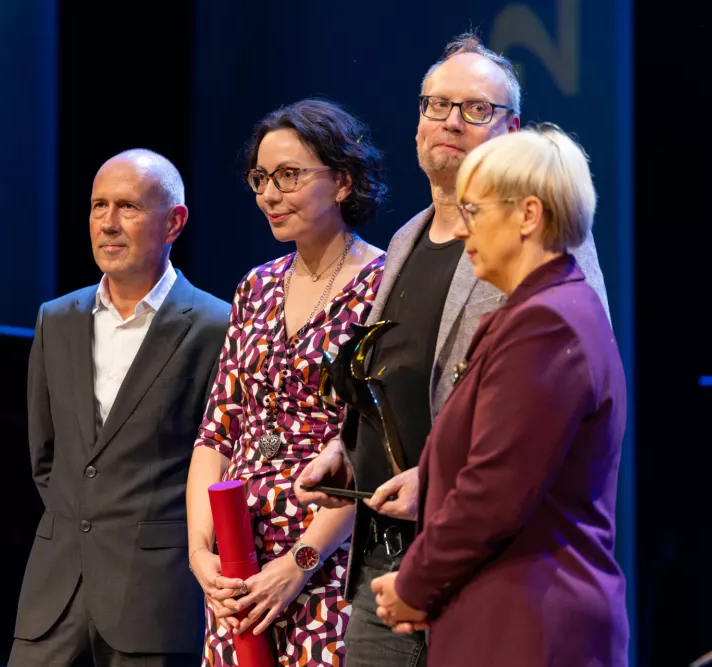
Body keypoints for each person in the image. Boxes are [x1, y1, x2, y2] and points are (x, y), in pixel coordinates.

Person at [295, 32, 611, 667]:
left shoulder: (545, 243)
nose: (450, 121)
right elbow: (393, 376)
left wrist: (434, 480)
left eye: (475, 109)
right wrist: (348, 452)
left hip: (485, 560)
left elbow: (535, 424)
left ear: (512, 130)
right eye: (436, 105)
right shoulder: (406, 239)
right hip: (385, 554)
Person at [371, 122, 628, 666]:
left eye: (475, 210)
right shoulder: (540, 313)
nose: (463, 229)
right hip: (506, 616)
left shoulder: (548, 324)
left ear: (528, 215)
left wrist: (414, 585)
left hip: (528, 625)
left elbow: (493, 491)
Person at [9, 149, 231, 667]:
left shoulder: (217, 326)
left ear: (174, 222)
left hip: (155, 598)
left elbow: (219, 462)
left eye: (128, 207)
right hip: (54, 594)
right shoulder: (56, 318)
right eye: (98, 206)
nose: (108, 223)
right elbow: (45, 456)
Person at [186, 98, 387, 667]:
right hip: (240, 569)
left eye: (288, 176)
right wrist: (202, 555)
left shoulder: (383, 285)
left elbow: (374, 448)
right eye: (261, 178)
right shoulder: (256, 287)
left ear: (342, 181)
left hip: (328, 564)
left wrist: (299, 562)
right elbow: (216, 433)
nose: (269, 195)